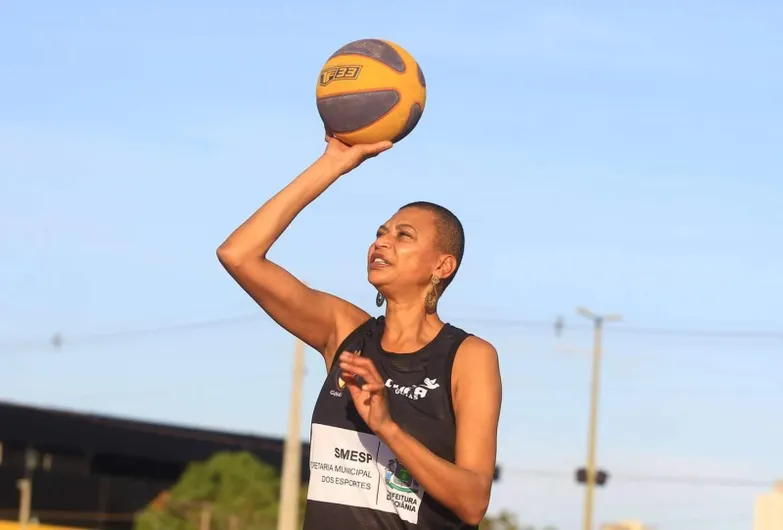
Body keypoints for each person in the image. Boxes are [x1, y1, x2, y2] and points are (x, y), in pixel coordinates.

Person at [217, 134, 502, 529]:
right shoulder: (345, 331)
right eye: (380, 232)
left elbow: (472, 501)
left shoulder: (469, 356)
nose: (381, 242)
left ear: (442, 266)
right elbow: (238, 254)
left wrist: (386, 427)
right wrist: (333, 163)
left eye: (404, 235)